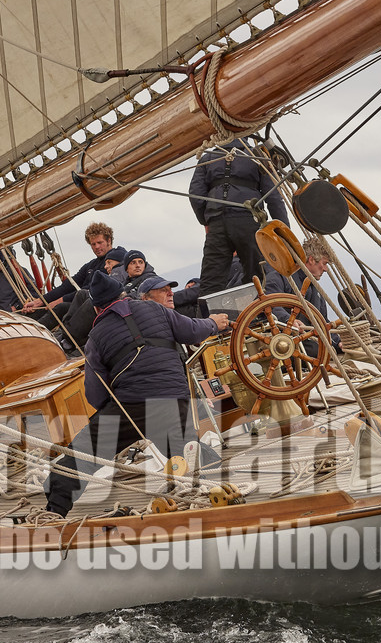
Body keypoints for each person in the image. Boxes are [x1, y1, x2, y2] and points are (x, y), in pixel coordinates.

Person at [43, 273, 229, 517]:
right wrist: (214, 323)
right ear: (122, 294)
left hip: (130, 405)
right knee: (186, 451)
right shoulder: (155, 309)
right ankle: (223, 487)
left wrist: (110, 415)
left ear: (97, 307)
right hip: (173, 400)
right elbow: (192, 331)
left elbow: (95, 394)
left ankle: (54, 512)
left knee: (82, 455)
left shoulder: (96, 338)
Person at [189, 137, 289, 296]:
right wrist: (284, 233)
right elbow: (273, 197)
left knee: (211, 282)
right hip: (248, 221)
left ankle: (209, 319)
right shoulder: (257, 157)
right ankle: (257, 316)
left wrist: (207, 220)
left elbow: (195, 194)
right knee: (257, 276)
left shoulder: (207, 158)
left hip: (217, 223)